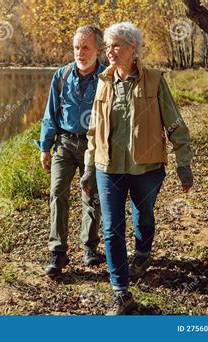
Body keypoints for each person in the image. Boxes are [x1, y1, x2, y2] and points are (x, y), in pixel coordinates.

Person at [81, 22, 194, 314]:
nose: (110, 51)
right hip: (109, 167)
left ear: (133, 48)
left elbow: (175, 123)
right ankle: (121, 292)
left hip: (147, 168)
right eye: (107, 45)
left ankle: (142, 252)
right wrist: (89, 168)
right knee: (111, 228)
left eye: (116, 45)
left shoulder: (155, 80)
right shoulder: (103, 81)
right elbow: (94, 129)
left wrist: (184, 164)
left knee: (143, 215)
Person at [35, 25, 106, 276]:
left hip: (94, 145)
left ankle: (90, 248)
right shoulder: (62, 75)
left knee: (92, 196)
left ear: (98, 49)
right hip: (64, 144)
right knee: (57, 193)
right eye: (76, 47)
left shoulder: (108, 77)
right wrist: (45, 147)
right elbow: (50, 114)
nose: (80, 52)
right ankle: (57, 253)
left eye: (85, 47)